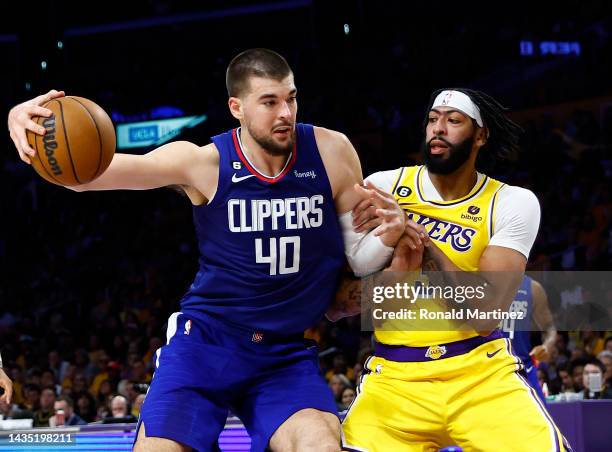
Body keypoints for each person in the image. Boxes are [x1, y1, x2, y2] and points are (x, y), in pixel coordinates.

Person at [8, 49, 405, 452]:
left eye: (291, 97)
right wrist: (19, 124)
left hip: (282, 353)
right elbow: (85, 177)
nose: (285, 112)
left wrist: (388, 237)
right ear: (237, 107)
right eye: (269, 102)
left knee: (320, 445)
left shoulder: (332, 152)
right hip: (206, 344)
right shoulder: (203, 163)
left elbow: (357, 260)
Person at [339, 88, 571, 450]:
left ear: (480, 135)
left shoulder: (511, 202)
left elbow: (484, 315)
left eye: (453, 120)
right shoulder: (382, 187)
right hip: (394, 377)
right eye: (433, 119)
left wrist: (424, 244)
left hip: (481, 372)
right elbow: (340, 303)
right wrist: (394, 269)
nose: (438, 128)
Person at [501, 276, 557, 403]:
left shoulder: (532, 288)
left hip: (523, 367)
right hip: (489, 368)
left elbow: (550, 328)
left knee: (541, 420)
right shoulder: (479, 285)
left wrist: (546, 346)